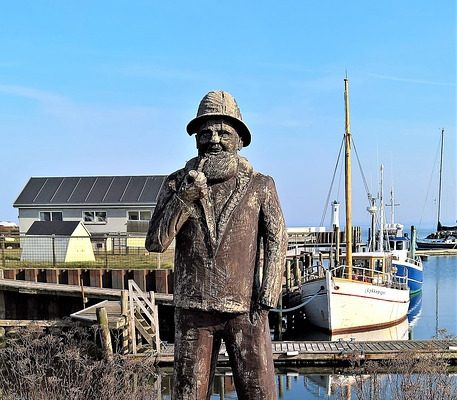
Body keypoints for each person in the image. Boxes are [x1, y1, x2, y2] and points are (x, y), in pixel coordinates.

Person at [146, 90, 287, 399]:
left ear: (239, 138)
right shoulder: (176, 183)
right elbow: (155, 242)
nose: (214, 139)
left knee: (259, 393)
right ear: (196, 138)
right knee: (188, 395)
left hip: (245, 309)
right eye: (205, 132)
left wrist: (266, 297)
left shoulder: (261, 185)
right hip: (192, 310)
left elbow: (277, 239)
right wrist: (185, 197)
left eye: (224, 132)